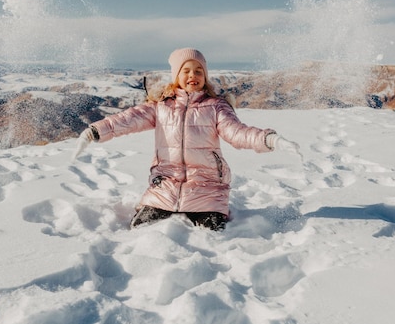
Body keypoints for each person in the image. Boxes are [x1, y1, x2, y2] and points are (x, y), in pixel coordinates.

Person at [72, 48, 299, 231]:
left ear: (205, 76)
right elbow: (127, 120)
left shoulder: (216, 107)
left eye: (199, 71)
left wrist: (270, 140)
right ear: (177, 76)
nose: (193, 75)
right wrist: (94, 131)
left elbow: (238, 132)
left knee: (213, 239)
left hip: (207, 189)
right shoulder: (161, 107)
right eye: (187, 70)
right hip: (165, 188)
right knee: (138, 231)